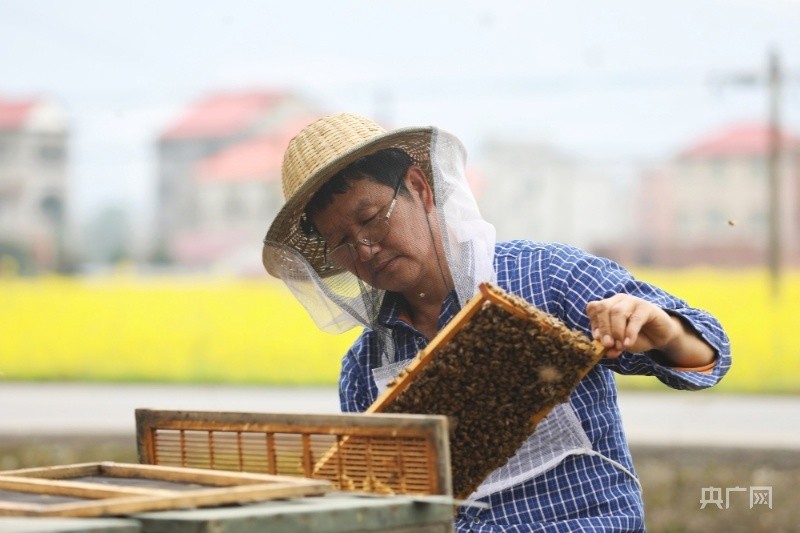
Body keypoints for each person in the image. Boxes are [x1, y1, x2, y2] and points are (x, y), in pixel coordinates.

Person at [262, 113, 731, 531]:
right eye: (342, 242)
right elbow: (390, 509)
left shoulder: (548, 277)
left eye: (371, 219)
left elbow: (710, 355)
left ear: (420, 189)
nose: (365, 249)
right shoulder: (365, 368)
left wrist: (664, 331)